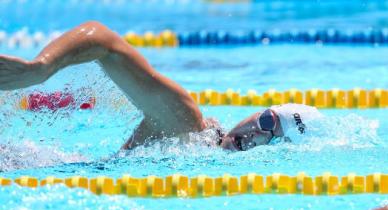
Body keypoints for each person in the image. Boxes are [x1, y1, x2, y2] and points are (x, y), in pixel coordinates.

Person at [0, 21, 321, 151]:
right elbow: (102, 39)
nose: (256, 135)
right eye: (266, 120)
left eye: (272, 137)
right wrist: (39, 70)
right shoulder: (186, 122)